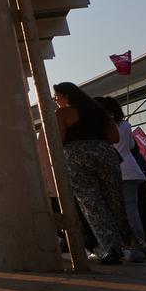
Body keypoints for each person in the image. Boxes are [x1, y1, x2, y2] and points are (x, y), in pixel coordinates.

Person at [53, 82, 125, 264]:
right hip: (105, 154)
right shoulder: (98, 110)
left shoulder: (62, 113)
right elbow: (114, 138)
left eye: (57, 97)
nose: (56, 100)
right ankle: (124, 245)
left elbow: (59, 140)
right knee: (114, 200)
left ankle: (109, 247)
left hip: (78, 158)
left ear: (66, 96)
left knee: (91, 204)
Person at [97, 96, 146, 261]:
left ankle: (118, 248)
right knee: (132, 211)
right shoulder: (126, 125)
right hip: (132, 170)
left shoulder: (100, 127)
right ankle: (137, 250)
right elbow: (132, 146)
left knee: (112, 213)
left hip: (113, 171)